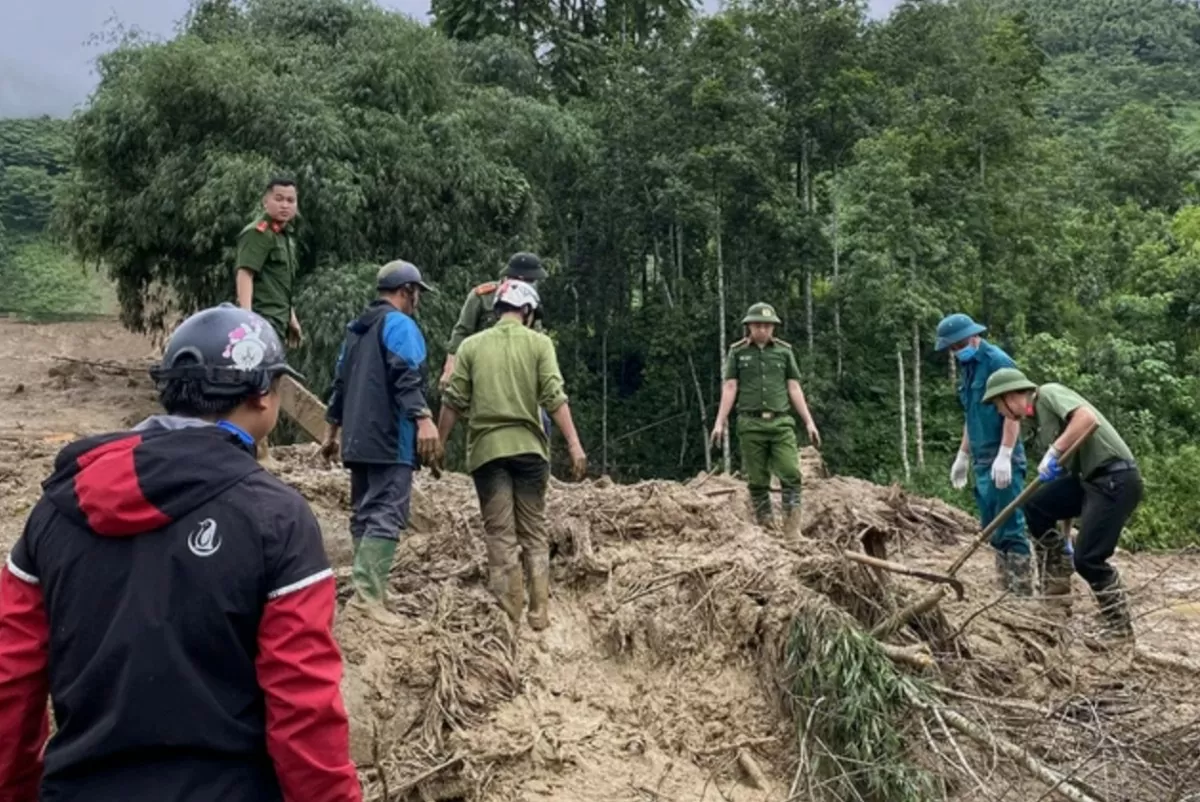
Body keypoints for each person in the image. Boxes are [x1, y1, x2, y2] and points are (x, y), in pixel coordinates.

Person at [0, 304, 360, 802]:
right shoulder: (277, 519)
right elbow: (304, 709)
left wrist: (15, 789)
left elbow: (11, 683)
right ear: (262, 394)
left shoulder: (55, 511)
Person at [438, 280, 587, 630]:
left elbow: (454, 400)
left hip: (488, 453)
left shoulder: (472, 347)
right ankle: (539, 611)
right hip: (531, 453)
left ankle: (509, 612)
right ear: (527, 311)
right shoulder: (540, 344)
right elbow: (554, 396)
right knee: (533, 530)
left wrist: (439, 442)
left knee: (500, 532)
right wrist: (575, 445)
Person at [982, 368, 1142, 643]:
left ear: (1010, 396)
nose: (1001, 413)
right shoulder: (1039, 423)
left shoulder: (1049, 394)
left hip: (1115, 478)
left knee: (1089, 558)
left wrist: (1055, 451)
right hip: (1088, 481)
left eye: (999, 405)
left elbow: (1087, 419)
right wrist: (1065, 537)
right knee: (1036, 506)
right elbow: (1068, 480)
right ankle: (1057, 573)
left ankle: (1119, 627)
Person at [320, 261, 441, 615]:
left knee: (363, 512)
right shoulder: (400, 324)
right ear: (408, 291)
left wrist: (331, 433)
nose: (417, 299)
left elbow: (339, 385)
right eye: (417, 293)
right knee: (387, 511)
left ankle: (368, 593)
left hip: (357, 440)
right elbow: (407, 375)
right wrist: (424, 419)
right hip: (390, 438)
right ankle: (370, 598)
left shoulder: (356, 331)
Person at [934, 313, 1031, 595]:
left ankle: (1022, 592)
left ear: (973, 337)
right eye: (952, 348)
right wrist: (963, 456)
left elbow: (1015, 411)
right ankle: (1004, 589)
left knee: (1011, 524)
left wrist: (1005, 454)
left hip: (1003, 458)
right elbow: (971, 413)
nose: (956, 352)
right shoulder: (968, 369)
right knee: (992, 528)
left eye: (958, 345)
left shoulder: (997, 362)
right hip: (981, 459)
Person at [710, 302, 820, 535]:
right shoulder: (738, 352)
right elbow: (730, 387)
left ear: (774, 328)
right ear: (749, 326)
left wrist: (809, 422)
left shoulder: (783, 351)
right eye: (758, 325)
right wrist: (719, 422)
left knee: (790, 473)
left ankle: (792, 530)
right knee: (758, 479)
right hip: (750, 424)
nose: (763, 330)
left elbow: (794, 388)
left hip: (780, 423)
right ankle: (766, 526)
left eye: (767, 326)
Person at [235, 176, 303, 462]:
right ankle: (257, 449)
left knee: (271, 382)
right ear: (265, 201)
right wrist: (248, 318)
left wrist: (292, 318)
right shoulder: (259, 232)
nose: (284, 205)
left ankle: (262, 446)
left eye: (290, 200)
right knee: (259, 386)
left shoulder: (284, 237)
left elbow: (277, 283)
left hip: (276, 320)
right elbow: (245, 273)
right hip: (260, 321)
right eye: (279, 198)